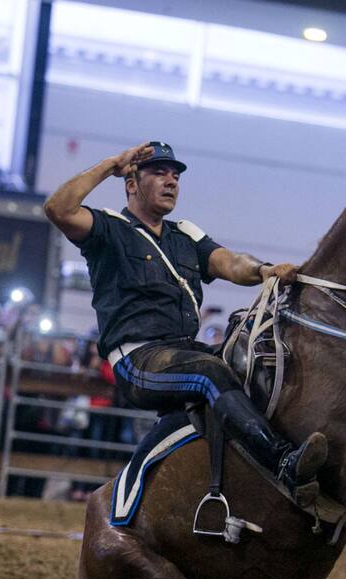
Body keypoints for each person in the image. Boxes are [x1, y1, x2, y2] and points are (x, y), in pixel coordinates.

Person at [42, 141, 327, 502]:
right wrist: (112, 164)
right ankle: (283, 463)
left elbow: (230, 263)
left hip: (184, 352)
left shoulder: (185, 234)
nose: (171, 181)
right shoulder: (108, 228)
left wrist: (265, 270)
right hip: (139, 359)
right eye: (159, 173)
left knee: (254, 359)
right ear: (131, 184)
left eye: (175, 175)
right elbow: (58, 208)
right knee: (210, 372)